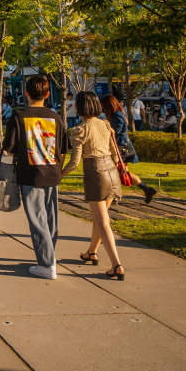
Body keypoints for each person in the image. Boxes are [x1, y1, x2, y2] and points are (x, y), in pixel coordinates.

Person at [2, 74, 68, 280]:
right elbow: (63, 149)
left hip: (30, 174)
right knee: (50, 219)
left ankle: (47, 264)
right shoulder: (55, 117)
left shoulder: (19, 116)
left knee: (37, 219)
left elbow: (9, 149)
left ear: (26, 93)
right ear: (48, 94)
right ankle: (50, 258)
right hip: (53, 171)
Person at [67, 91, 126, 281]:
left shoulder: (79, 129)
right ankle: (91, 252)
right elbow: (115, 154)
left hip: (95, 174)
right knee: (100, 218)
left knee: (102, 221)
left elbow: (74, 162)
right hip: (111, 171)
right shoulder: (105, 124)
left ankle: (116, 265)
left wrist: (58, 175)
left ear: (78, 107)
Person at [100, 94, 156, 203]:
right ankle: (145, 190)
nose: (102, 108)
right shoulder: (117, 114)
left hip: (121, 147)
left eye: (104, 106)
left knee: (120, 172)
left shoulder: (117, 115)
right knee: (121, 173)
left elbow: (116, 132)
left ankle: (145, 189)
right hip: (121, 146)